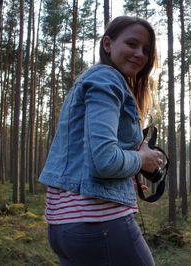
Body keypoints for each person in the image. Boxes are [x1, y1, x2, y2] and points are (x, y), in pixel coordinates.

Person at [38, 16, 162, 266]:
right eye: (132, 43)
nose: (140, 54)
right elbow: (104, 161)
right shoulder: (107, 79)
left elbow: (91, 158)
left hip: (62, 226)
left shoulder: (92, 79)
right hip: (98, 223)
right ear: (108, 44)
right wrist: (142, 159)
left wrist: (128, 171)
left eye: (146, 50)